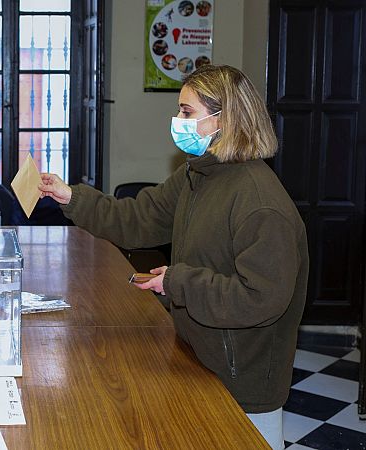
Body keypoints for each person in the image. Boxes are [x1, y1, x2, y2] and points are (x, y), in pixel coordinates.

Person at [39, 65, 308, 449]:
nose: (177, 121)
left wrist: (177, 281)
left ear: (224, 119)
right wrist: (72, 198)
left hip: (243, 382)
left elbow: (261, 299)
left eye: (186, 111)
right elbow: (137, 219)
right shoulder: (196, 175)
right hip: (198, 357)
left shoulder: (259, 202)